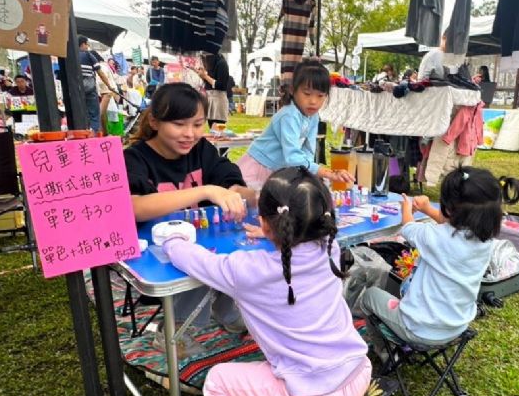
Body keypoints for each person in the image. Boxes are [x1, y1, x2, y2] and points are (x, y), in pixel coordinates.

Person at [160, 167, 371, 396]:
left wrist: (173, 240)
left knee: (219, 380)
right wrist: (277, 234)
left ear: (264, 221)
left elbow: (197, 261)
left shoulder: (248, 271)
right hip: (358, 372)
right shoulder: (331, 248)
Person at [124, 82, 255, 329]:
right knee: (197, 262)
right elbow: (135, 207)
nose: (190, 134)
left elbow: (230, 182)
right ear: (154, 122)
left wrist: (247, 195)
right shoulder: (135, 158)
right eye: (179, 124)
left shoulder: (202, 150)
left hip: (205, 246)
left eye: (197, 124)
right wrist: (206, 190)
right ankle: (179, 329)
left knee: (237, 250)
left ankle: (226, 310)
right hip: (157, 256)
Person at [360, 166, 519, 363]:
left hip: (418, 329)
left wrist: (407, 206)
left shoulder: (433, 236)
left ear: (449, 207)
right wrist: (428, 209)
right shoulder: (486, 241)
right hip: (457, 326)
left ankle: (386, 353)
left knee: (369, 295)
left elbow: (408, 227)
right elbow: (451, 226)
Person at [237, 60, 354, 187]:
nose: (313, 101)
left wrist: (308, 172)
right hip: (258, 167)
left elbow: (308, 151)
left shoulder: (313, 116)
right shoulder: (289, 115)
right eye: (307, 94)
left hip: (277, 169)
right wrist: (325, 172)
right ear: (293, 90)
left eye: (320, 96)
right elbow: (292, 156)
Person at [78, 35, 111, 132]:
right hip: (89, 88)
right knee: (94, 113)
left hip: (76, 89)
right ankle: (94, 133)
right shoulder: (88, 55)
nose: (87, 47)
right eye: (87, 44)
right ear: (83, 44)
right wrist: (109, 85)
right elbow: (100, 73)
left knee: (81, 113)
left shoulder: (71, 55)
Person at [198, 53, 229, 126]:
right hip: (210, 99)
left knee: (218, 131)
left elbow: (221, 85)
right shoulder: (210, 65)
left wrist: (205, 76)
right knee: (211, 127)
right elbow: (209, 83)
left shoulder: (222, 64)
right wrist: (201, 75)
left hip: (218, 101)